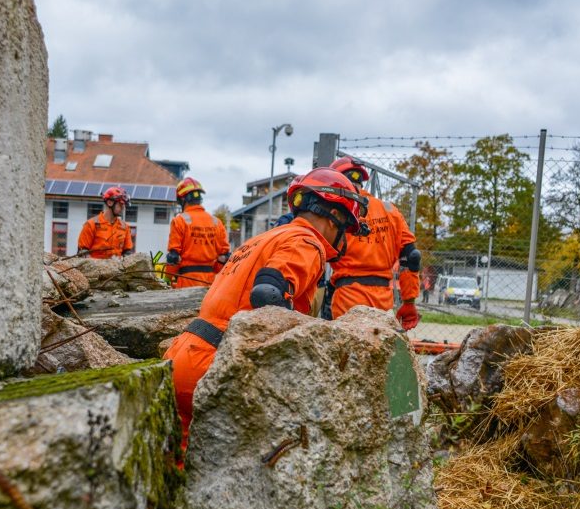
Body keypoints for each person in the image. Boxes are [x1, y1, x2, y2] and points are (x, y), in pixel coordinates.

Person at [163, 167, 366, 444]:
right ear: (335, 217)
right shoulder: (307, 243)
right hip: (218, 366)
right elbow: (268, 294)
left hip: (184, 354)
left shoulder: (264, 238)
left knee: (180, 465)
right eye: (347, 228)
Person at [324, 156, 422, 330]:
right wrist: (409, 301)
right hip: (383, 299)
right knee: (378, 350)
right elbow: (411, 257)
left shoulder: (337, 209)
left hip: (347, 296)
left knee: (347, 351)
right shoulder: (389, 209)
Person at [165, 177, 231, 288]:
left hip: (186, 282)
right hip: (210, 284)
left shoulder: (179, 221)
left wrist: (167, 280)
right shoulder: (216, 222)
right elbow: (224, 258)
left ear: (182, 200)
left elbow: (173, 257)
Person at [77, 186, 135, 258]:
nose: (123, 208)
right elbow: (82, 252)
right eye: (120, 204)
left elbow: (127, 252)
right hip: (95, 268)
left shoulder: (125, 227)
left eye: (124, 205)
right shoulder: (91, 225)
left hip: (117, 268)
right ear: (110, 202)